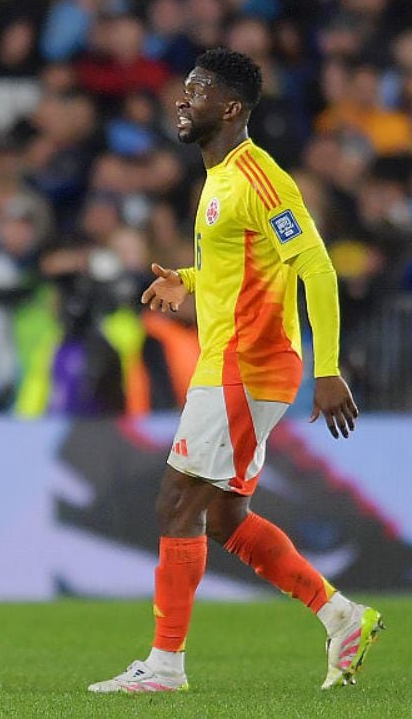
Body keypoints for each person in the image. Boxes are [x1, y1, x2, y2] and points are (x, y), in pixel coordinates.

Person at [89, 48, 380, 694]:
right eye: (184, 89)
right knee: (220, 518)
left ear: (231, 108)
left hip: (247, 364)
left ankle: (165, 667)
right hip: (232, 361)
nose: (180, 100)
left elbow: (317, 268)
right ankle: (342, 616)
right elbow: (246, 267)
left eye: (195, 91)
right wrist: (188, 282)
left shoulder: (260, 177)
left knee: (176, 501)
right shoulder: (218, 178)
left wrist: (329, 369)